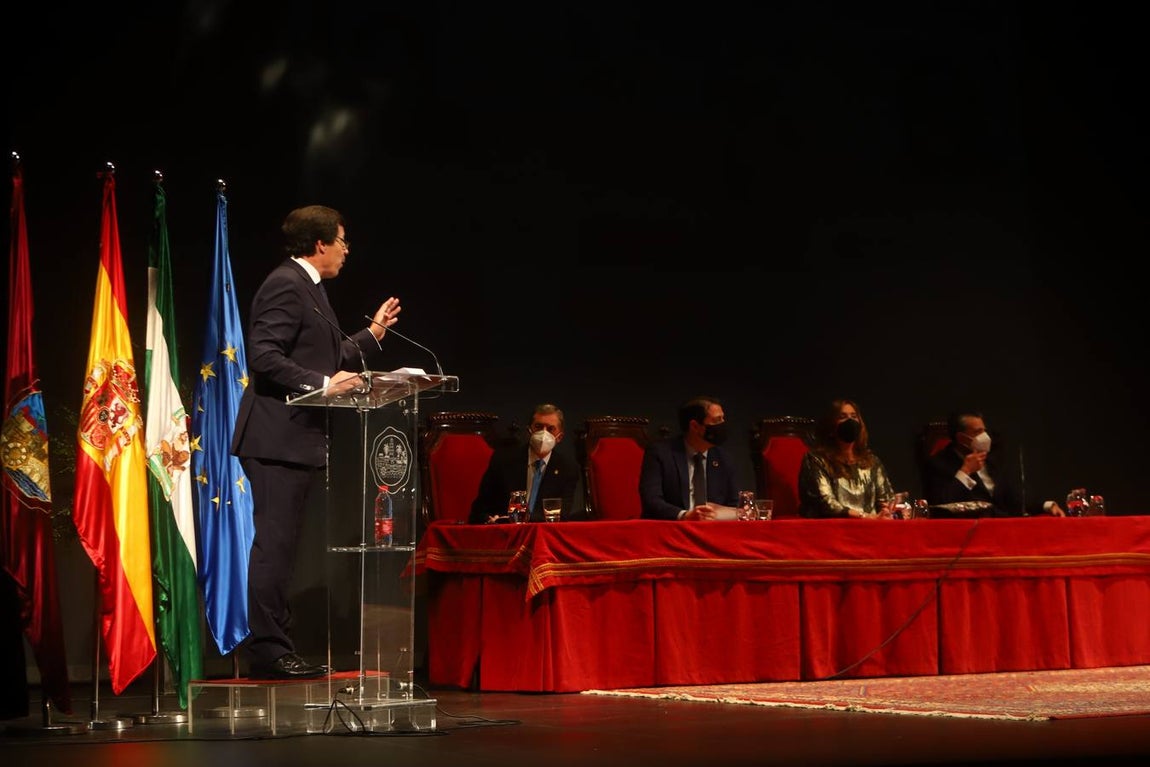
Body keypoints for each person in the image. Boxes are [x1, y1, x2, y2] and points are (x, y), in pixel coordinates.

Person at [231, 204, 402, 680]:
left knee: (284, 550)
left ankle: (275, 645)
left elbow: (331, 354)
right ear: (321, 243)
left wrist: (372, 335)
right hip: (275, 438)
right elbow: (263, 356)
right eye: (343, 241)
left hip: (296, 440)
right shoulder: (285, 283)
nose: (347, 251)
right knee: (275, 548)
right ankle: (267, 651)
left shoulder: (310, 289)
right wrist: (324, 384)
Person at [924, 408, 1066, 517]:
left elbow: (1014, 499)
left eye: (984, 431)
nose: (984, 437)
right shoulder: (938, 464)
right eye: (977, 432)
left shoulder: (993, 460)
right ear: (961, 438)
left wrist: (1046, 505)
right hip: (969, 533)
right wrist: (965, 472)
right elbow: (941, 505)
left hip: (1003, 527)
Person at [469, 403, 581, 523]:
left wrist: (522, 519)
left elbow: (561, 515)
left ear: (560, 437)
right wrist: (492, 520)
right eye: (538, 427)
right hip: (505, 533)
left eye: (550, 429)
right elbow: (480, 509)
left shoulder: (567, 468)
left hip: (542, 535)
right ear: (529, 431)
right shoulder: (503, 461)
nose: (543, 433)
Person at [639, 395, 740, 520]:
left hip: (713, 530)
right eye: (716, 420)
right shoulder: (661, 453)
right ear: (695, 426)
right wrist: (684, 515)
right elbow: (652, 501)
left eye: (723, 419)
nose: (722, 425)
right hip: (673, 529)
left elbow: (734, 504)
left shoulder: (722, 458)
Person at [798, 398, 898, 519]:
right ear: (831, 426)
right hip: (834, 529)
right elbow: (826, 503)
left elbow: (885, 498)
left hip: (871, 528)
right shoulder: (816, 460)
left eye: (854, 416)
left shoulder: (872, 461)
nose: (850, 421)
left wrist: (886, 512)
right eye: (842, 417)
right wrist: (864, 517)